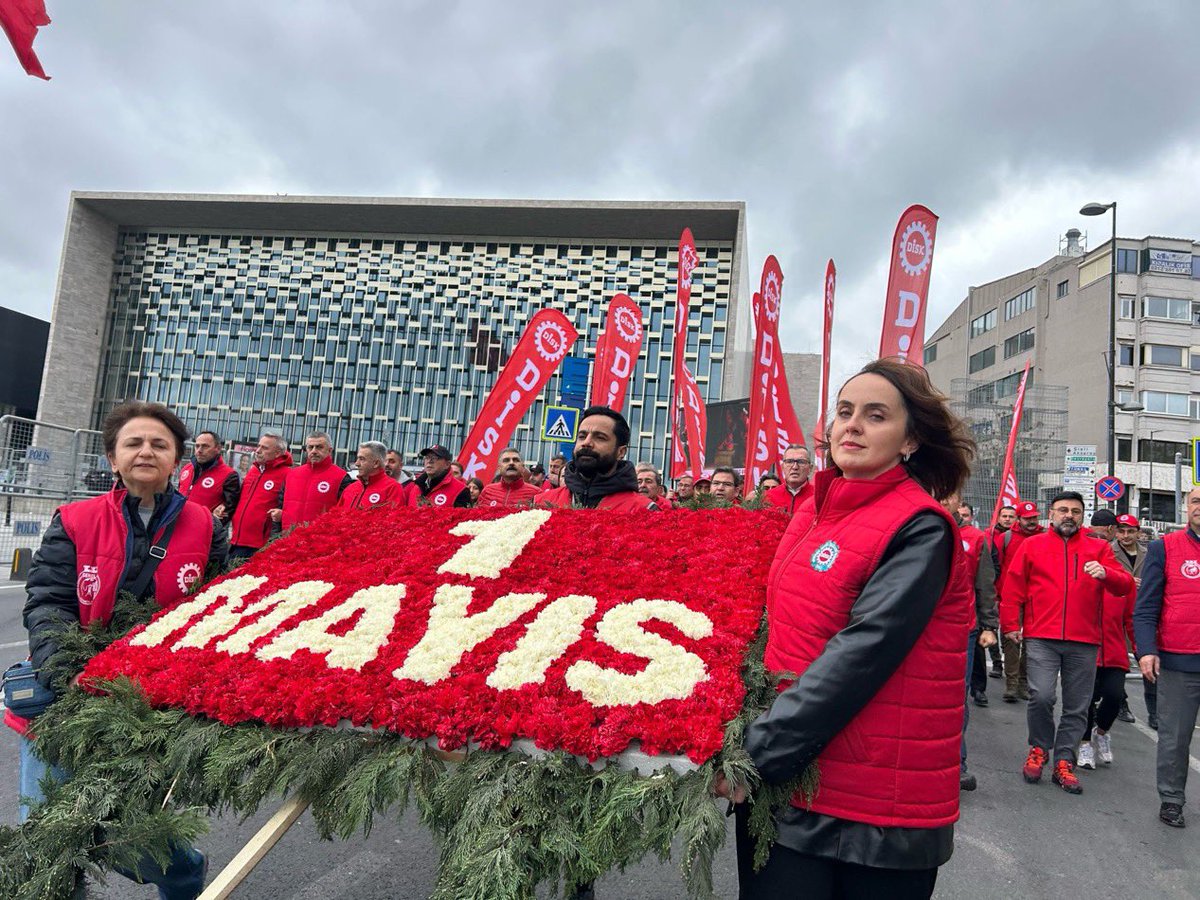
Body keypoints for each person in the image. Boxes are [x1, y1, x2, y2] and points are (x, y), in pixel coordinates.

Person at [722, 358, 974, 898]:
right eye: (844, 412)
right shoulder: (813, 509)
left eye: (875, 415)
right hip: (792, 782)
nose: (852, 425)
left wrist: (755, 754)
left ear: (910, 440)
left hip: (871, 809)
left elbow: (860, 655)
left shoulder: (921, 527)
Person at [7, 401, 225, 899]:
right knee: (50, 840)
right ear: (112, 458)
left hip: (152, 705)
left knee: (135, 835)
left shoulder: (206, 528)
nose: (145, 451)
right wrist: (71, 678)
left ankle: (185, 875)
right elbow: (48, 602)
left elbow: (212, 613)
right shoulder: (75, 520)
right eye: (133, 442)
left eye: (159, 444)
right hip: (66, 701)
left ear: (176, 461)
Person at [1001, 491, 1133, 795]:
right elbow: (1013, 586)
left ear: (1082, 516)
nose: (1069, 516)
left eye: (1075, 511)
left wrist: (1107, 574)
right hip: (1041, 636)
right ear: (1051, 515)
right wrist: (1010, 624)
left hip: (1084, 639)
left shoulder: (1098, 548)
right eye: (1063, 510)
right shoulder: (1032, 545)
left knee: (1077, 706)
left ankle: (1064, 760)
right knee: (1042, 696)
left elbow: (1125, 586)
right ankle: (1039, 749)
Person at [1133, 487, 1200, 828]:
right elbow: (1145, 609)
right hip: (1179, 661)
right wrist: (1146, 650)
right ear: (1187, 507)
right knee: (1175, 736)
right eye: (1197, 501)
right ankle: (1172, 799)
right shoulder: (1164, 549)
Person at [1078, 530, 1137, 771]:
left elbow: (1131, 619)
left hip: (1113, 651)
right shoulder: (1080, 578)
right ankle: (1083, 744)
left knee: (1114, 696)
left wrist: (1142, 649)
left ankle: (1101, 732)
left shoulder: (1123, 582)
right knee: (1086, 700)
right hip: (1085, 649)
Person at [540, 407, 655, 511]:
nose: (586, 443)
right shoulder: (540, 504)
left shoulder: (644, 510)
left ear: (621, 452)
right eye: (582, 436)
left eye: (600, 438)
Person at [995, 500, 1042, 703]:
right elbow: (995, 567)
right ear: (1019, 519)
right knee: (1011, 640)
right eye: (1027, 518)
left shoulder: (1045, 537)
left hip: (1037, 599)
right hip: (1011, 597)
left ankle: (1024, 682)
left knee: (1032, 642)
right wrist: (997, 595)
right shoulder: (1005, 538)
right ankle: (1012, 683)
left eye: (1034, 518)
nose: (1031, 522)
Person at [1115, 513, 1155, 728]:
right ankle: (1122, 703)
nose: (1126, 535)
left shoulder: (1149, 554)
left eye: (1130, 531)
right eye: (1121, 531)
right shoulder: (1108, 552)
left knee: (1148, 659)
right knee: (1119, 662)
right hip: (1117, 614)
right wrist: (1127, 580)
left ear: (1138, 532)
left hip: (1142, 615)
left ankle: (1154, 711)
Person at [226, 432, 292, 562]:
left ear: (278, 453)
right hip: (236, 540)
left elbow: (292, 508)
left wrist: (282, 515)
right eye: (259, 446)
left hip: (260, 546)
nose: (258, 450)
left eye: (265, 448)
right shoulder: (253, 471)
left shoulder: (288, 475)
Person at [275, 431, 351, 531]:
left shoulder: (342, 477)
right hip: (288, 539)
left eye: (319, 447)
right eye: (310, 447)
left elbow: (345, 514)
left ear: (329, 450)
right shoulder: (291, 474)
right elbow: (279, 508)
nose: (314, 451)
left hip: (320, 540)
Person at [177, 430, 240, 520]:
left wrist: (210, 528)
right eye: (197, 446)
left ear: (218, 449)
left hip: (205, 530)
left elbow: (228, 510)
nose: (199, 450)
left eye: (205, 446)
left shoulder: (229, 475)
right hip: (178, 526)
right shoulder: (187, 468)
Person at [339, 442, 406, 510]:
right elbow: (336, 515)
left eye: (362, 459)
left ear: (376, 463)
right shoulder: (350, 489)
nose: (357, 463)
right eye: (357, 458)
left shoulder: (392, 488)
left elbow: (394, 519)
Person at [478, 448, 543, 508]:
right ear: (499, 468)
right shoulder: (487, 491)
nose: (511, 463)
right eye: (506, 460)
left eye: (516, 460)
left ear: (523, 467)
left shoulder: (537, 493)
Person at [763, 444, 814, 515]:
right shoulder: (768, 497)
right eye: (789, 461)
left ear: (810, 468)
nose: (795, 467)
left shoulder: (818, 497)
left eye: (801, 462)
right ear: (783, 467)